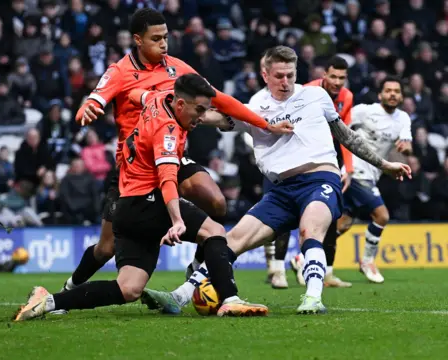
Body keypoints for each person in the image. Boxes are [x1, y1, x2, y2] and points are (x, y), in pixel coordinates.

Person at [141, 46, 411, 315]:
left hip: (320, 179)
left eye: (290, 75)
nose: (286, 82)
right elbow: (210, 115)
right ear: (265, 74)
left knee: (310, 230)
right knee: (231, 239)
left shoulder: (316, 96)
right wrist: (176, 104)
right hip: (281, 191)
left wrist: (384, 164)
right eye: (279, 76)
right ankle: (180, 296)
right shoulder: (254, 108)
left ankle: (313, 297)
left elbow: (346, 136)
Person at [59, 8, 293, 301]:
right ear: (137, 40)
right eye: (156, 38)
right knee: (104, 248)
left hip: (171, 155)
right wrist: (87, 108)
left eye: (166, 37)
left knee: (216, 201)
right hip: (134, 169)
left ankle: (197, 267)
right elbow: (96, 97)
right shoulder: (120, 71)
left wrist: (265, 124)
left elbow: (221, 99)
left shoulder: (178, 69)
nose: (164, 44)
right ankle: (68, 289)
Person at [12, 74, 269, 321]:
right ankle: (230, 298)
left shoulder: (159, 98)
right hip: (147, 202)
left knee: (128, 289)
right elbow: (168, 179)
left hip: (127, 208)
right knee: (214, 231)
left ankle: (48, 301)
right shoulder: (167, 132)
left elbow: (136, 94)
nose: (202, 117)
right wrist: (177, 220)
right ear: (180, 104)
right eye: (199, 110)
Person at [269, 55, 356, 288]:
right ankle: (277, 269)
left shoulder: (347, 97)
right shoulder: (306, 92)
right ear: (323, 75)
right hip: (296, 156)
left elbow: (344, 134)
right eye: (333, 76)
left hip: (327, 159)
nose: (337, 82)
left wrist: (347, 168)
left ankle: (325, 271)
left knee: (330, 214)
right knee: (286, 215)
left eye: (342, 78)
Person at [332, 76, 412, 283]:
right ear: (380, 95)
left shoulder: (403, 118)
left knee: (343, 224)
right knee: (382, 216)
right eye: (388, 90)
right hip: (355, 172)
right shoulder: (364, 111)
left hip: (372, 175)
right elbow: (339, 128)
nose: (392, 94)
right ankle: (367, 261)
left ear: (401, 96)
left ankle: (302, 259)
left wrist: (406, 148)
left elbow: (407, 143)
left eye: (396, 91)